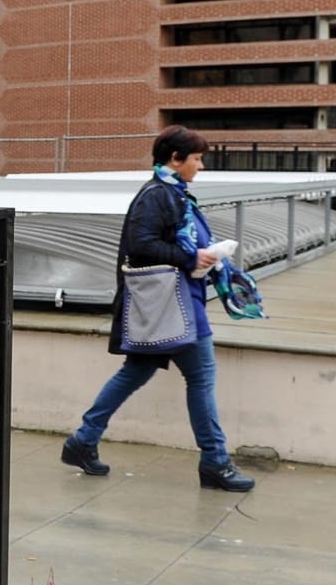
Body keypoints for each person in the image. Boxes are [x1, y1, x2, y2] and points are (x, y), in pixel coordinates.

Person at [60, 126, 255, 492]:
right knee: (201, 377)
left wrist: (204, 257)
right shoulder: (158, 195)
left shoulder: (171, 192)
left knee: (136, 371)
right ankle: (215, 462)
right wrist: (192, 257)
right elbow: (141, 245)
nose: (201, 165)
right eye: (196, 158)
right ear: (175, 159)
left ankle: (83, 441)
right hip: (176, 305)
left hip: (171, 304)